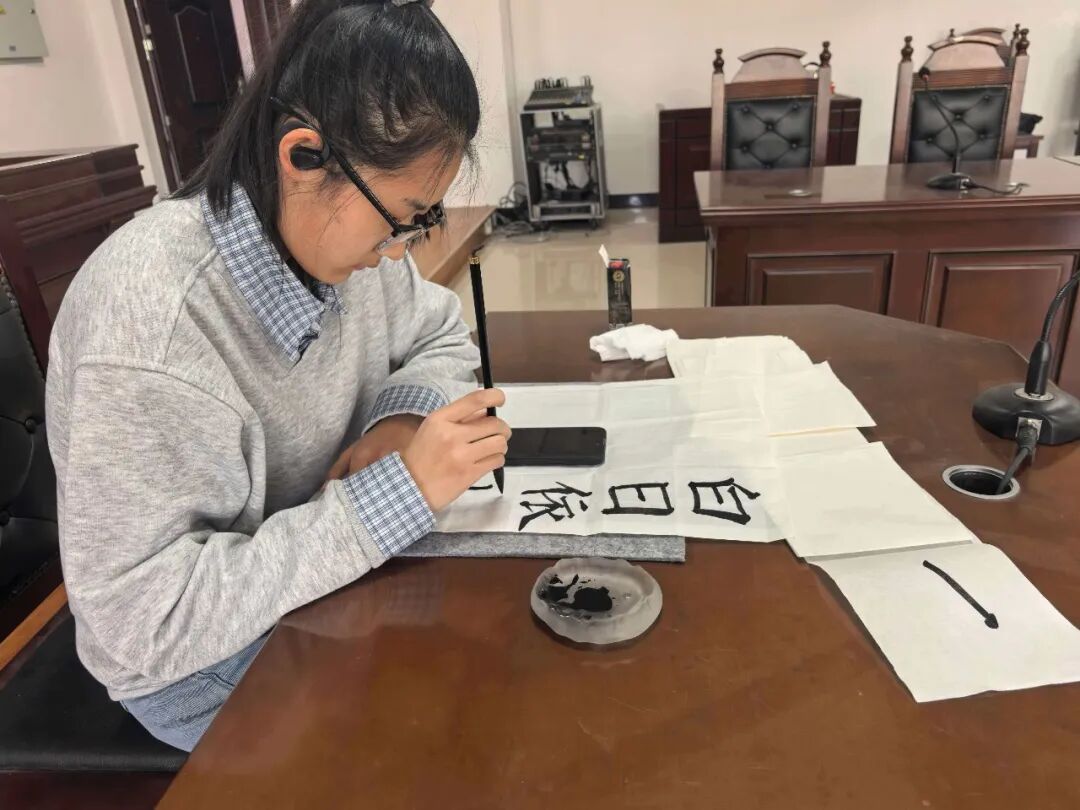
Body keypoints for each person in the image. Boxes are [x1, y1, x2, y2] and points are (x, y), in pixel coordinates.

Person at [45, 0, 508, 752]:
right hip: (196, 664)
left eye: (420, 222)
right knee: (447, 737)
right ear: (304, 155)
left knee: (496, 658)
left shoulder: (349, 248)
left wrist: (398, 423)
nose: (400, 251)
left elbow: (438, 330)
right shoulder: (151, 325)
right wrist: (389, 501)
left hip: (314, 578)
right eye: (400, 218)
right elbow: (143, 625)